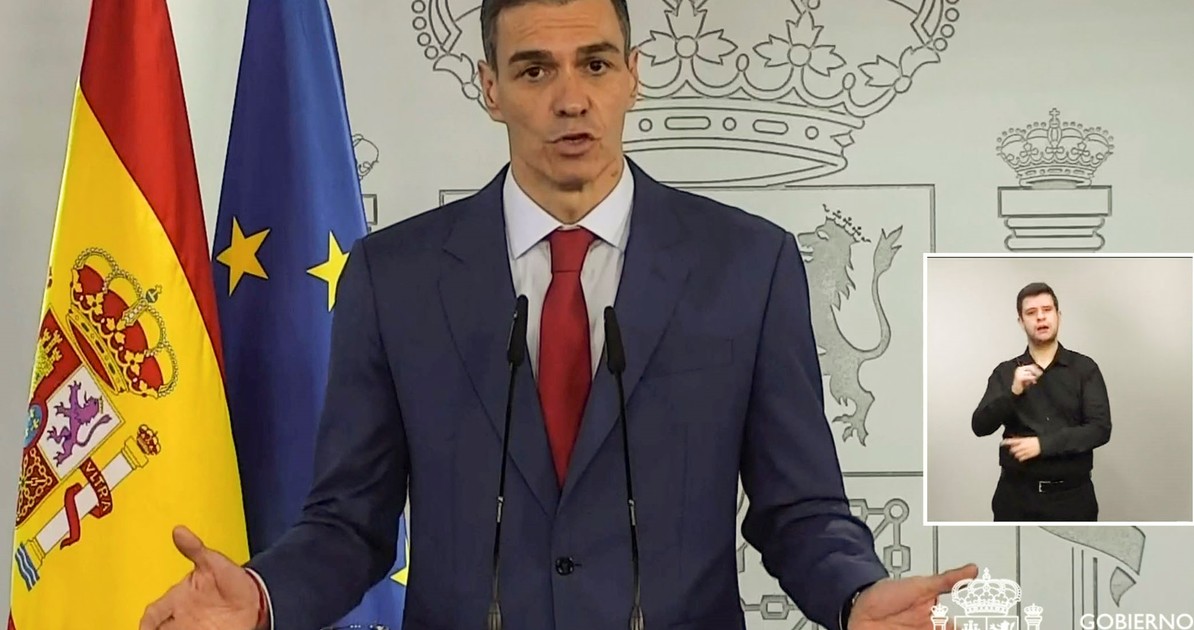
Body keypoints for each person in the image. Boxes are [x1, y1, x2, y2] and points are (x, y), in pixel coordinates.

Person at [139, 0, 977, 628]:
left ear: (634, 75)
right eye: (536, 70)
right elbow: (349, 524)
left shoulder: (746, 265)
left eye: (596, 65)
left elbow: (799, 509)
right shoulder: (394, 278)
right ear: (490, 88)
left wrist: (856, 595)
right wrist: (263, 597)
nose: (571, 98)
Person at [971, 282, 1112, 522]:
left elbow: (1100, 429)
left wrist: (1043, 445)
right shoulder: (1005, 372)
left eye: (1047, 310)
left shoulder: (1084, 368)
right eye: (1031, 312)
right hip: (1016, 498)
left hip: (1072, 499)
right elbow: (980, 426)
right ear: (1021, 322)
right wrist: (1013, 392)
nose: (1040, 317)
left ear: (1058, 316)